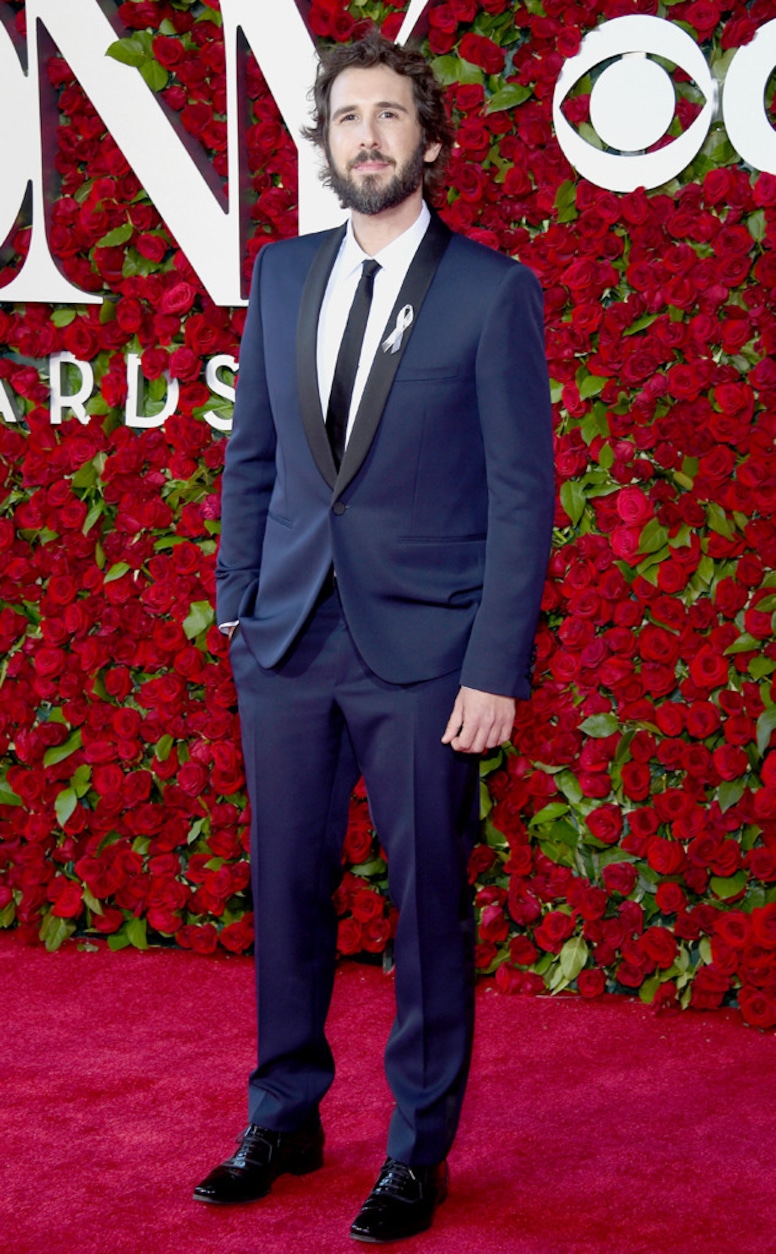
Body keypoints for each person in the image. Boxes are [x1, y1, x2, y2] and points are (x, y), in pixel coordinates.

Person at [196, 28, 554, 1245]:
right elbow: (252, 457)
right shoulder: (282, 274)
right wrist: (240, 597)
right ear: (324, 142)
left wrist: (494, 669)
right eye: (347, 117)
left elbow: (522, 495)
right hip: (286, 642)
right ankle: (284, 1117)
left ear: (430, 143)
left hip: (428, 656)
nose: (367, 136)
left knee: (425, 907)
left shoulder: (492, 292)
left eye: (390, 117)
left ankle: (415, 1150)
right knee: (285, 893)